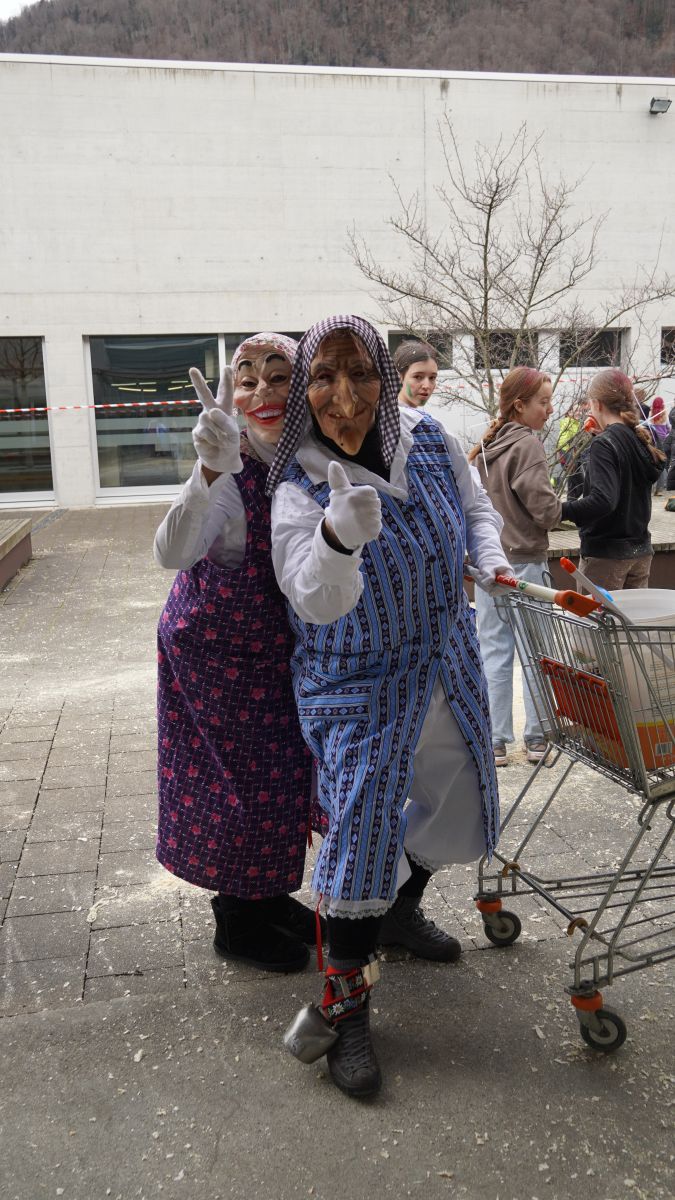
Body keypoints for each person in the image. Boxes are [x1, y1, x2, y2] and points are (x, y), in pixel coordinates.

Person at [266, 314, 508, 1098]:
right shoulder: (297, 487)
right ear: (304, 391)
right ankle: (346, 1012)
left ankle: (398, 912)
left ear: (383, 375)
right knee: (362, 827)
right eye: (323, 377)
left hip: (444, 658)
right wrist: (336, 540)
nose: (344, 396)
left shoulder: (428, 437)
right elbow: (313, 599)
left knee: (461, 793)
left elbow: (475, 511)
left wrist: (491, 560)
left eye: (360, 373)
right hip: (357, 683)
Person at [154, 334, 319, 974]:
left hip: (272, 650)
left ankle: (267, 895)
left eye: (279, 377)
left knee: (284, 778)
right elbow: (171, 552)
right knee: (239, 787)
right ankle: (237, 921)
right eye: (247, 379)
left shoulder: (306, 459)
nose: (261, 392)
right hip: (212, 653)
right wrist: (208, 471)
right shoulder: (231, 463)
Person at [468, 367, 562, 768]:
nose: (550, 409)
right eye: (544, 402)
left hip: (489, 565)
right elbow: (545, 511)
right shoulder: (527, 445)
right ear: (520, 406)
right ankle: (537, 738)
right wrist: (561, 508)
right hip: (525, 565)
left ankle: (495, 741)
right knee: (536, 653)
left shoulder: (487, 445)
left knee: (494, 651)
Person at [561, 369, 666, 590]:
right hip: (640, 552)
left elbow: (603, 500)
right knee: (633, 614)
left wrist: (561, 511)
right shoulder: (636, 438)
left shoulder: (604, 444)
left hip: (606, 556)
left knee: (597, 614)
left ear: (597, 404)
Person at [393, 340, 439, 408]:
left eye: (432, 378)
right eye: (418, 377)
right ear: (399, 377)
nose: (426, 386)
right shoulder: (391, 413)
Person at [648, 396, 670, 495]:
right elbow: (668, 427)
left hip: (653, 439)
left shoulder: (651, 413)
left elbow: (649, 425)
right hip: (663, 440)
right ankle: (659, 487)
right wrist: (667, 434)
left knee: (653, 460)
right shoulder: (664, 413)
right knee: (662, 461)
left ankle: (652, 485)